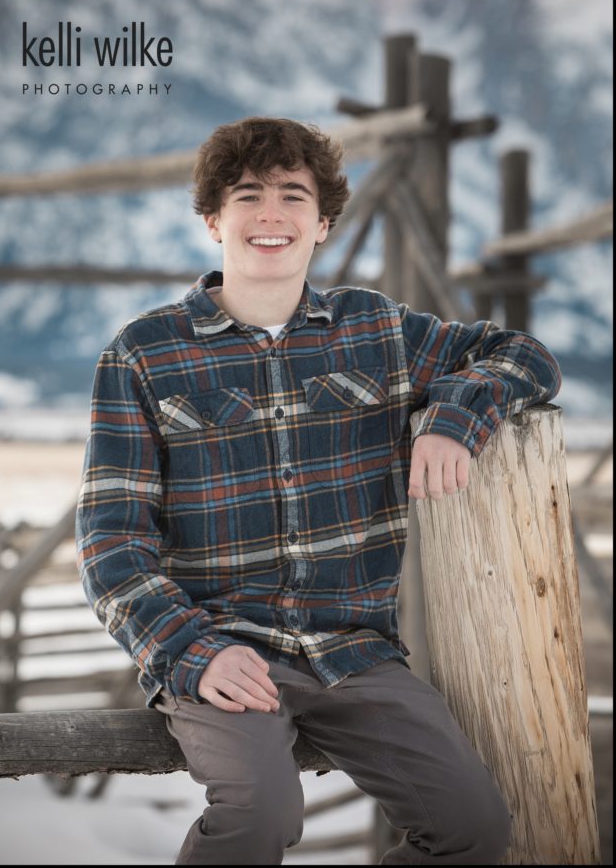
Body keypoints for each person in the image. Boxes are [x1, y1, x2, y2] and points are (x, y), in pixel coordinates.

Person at [75, 116, 562, 865]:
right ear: (213, 219)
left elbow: (521, 354)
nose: (271, 214)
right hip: (223, 649)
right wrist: (191, 650)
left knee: (475, 829)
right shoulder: (144, 354)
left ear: (323, 222)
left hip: (354, 651)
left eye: (293, 196)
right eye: (248, 195)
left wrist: (455, 414)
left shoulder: (378, 332)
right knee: (260, 817)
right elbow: (112, 543)